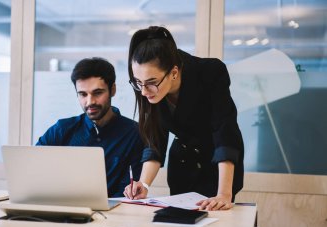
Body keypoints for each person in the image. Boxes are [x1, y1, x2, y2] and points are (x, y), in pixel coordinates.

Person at [123, 26, 244, 211]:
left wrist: (224, 194)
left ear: (173, 72)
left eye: (151, 83)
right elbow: (155, 139)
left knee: (216, 223)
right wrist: (143, 184)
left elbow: (224, 130)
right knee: (180, 226)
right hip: (183, 163)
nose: (144, 91)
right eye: (138, 83)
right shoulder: (147, 86)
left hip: (217, 164)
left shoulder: (210, 72)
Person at [36, 57, 144, 197]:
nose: (90, 101)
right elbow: (35, 170)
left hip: (113, 214)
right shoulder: (61, 130)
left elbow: (128, 192)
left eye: (97, 93)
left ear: (113, 90)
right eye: (82, 94)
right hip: (63, 211)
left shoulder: (134, 133)